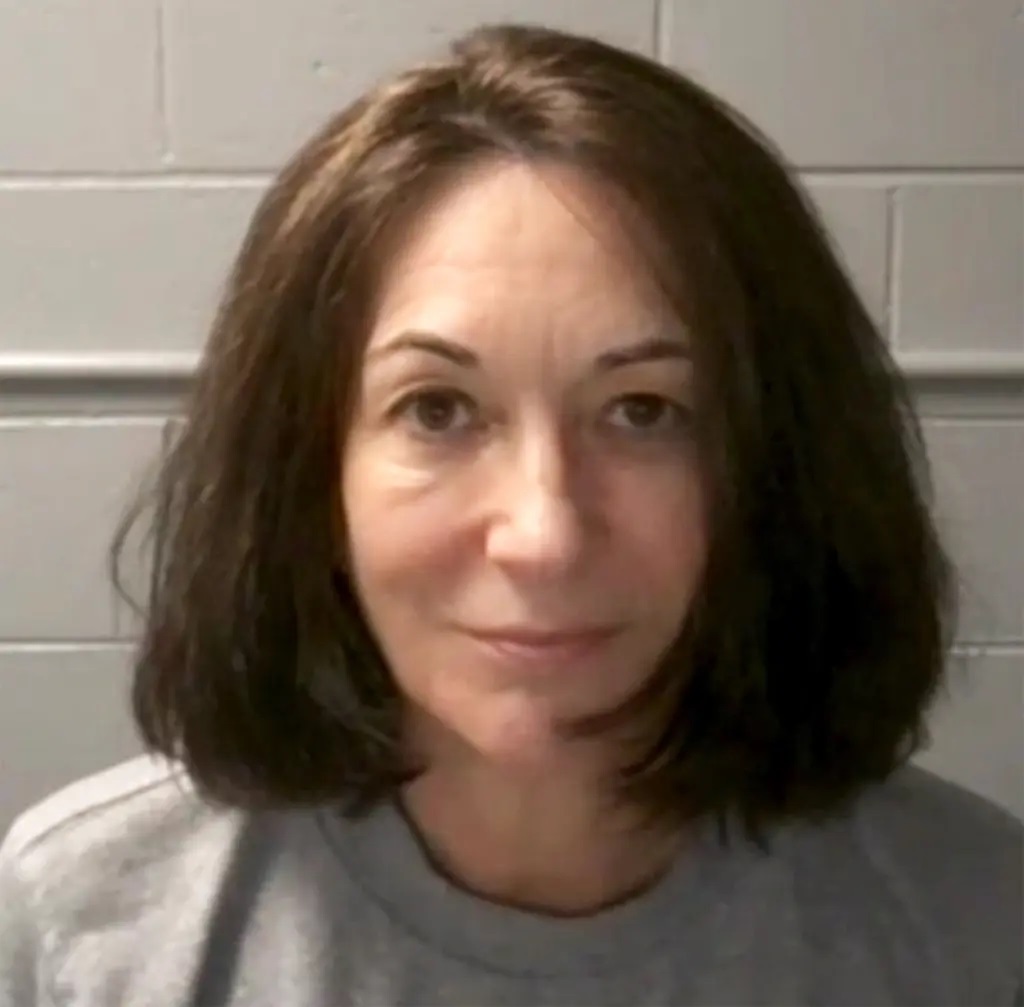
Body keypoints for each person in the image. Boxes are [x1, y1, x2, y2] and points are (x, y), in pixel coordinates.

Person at [1, 21, 1020, 1007]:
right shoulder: (87, 924)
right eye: (437, 410)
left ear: (777, 466)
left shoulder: (975, 924)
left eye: (643, 411)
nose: (544, 536)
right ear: (309, 472)